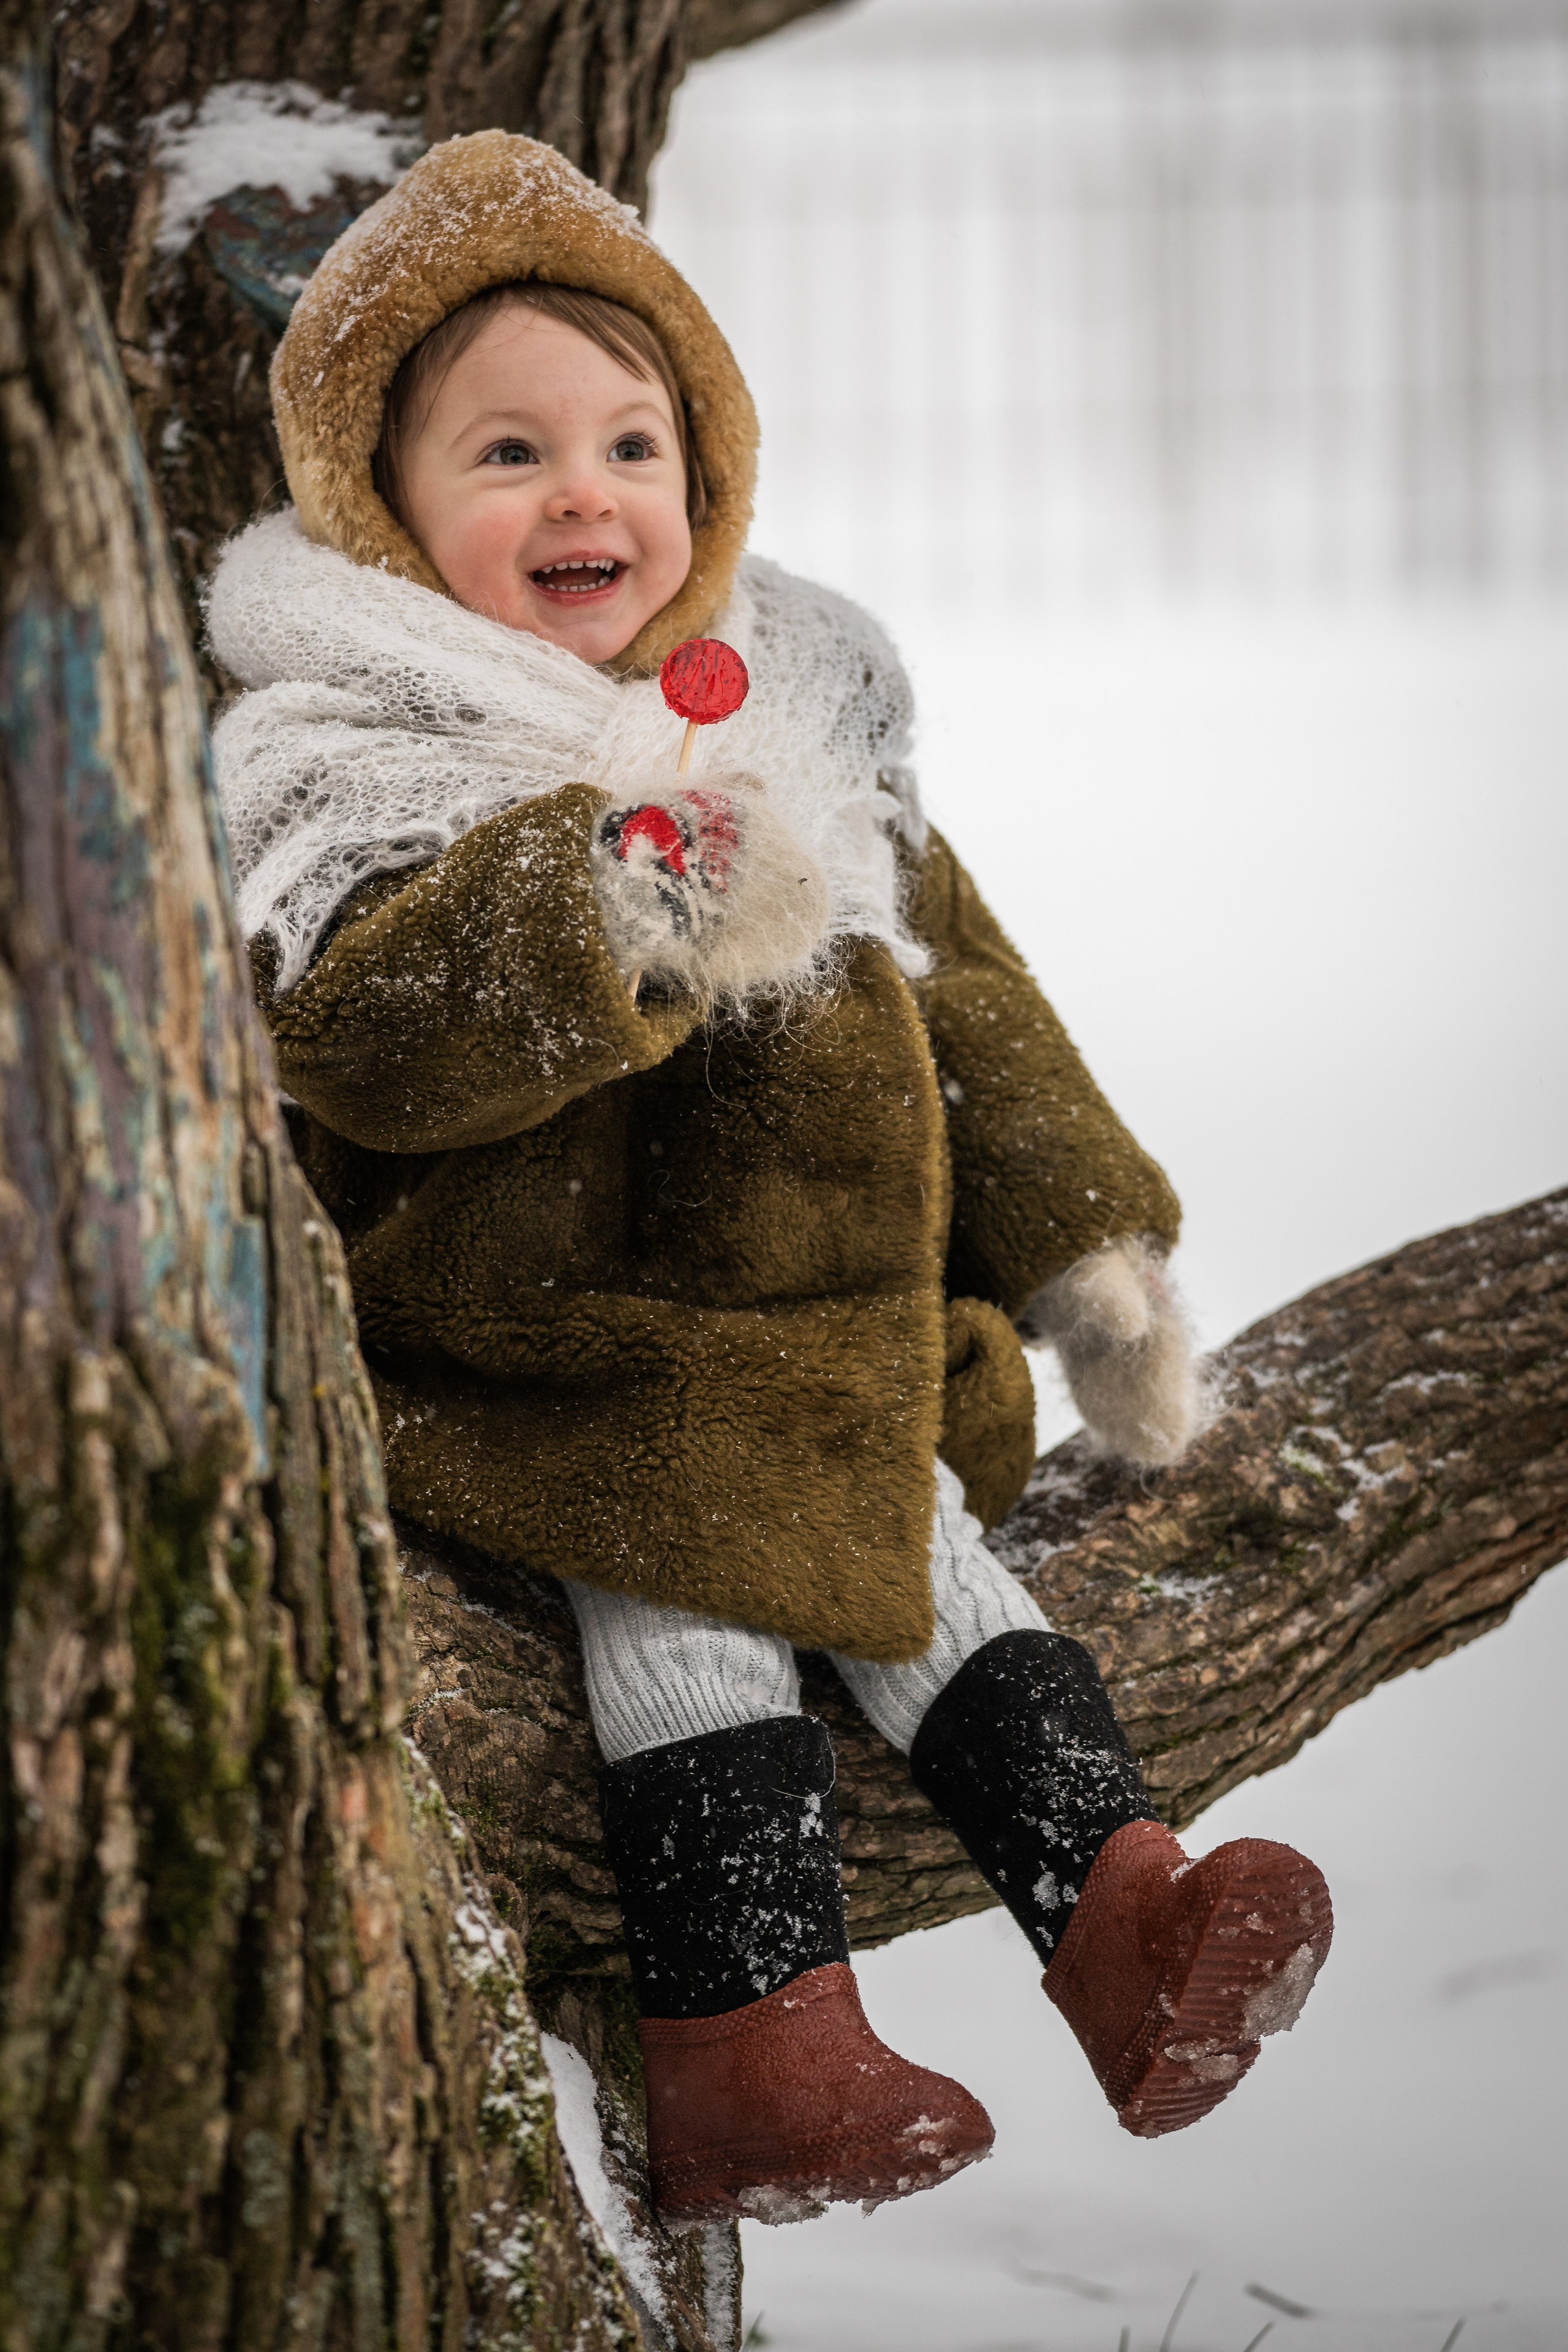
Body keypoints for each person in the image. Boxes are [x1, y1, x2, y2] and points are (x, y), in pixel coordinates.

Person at [209, 130, 1332, 2230]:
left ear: (708, 477)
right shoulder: (350, 741)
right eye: (511, 451)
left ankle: (1130, 1916)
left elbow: (958, 983)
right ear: (383, 504)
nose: (585, 494)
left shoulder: (789, 693)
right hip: (549, 1341)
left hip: (830, 1336)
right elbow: (366, 1026)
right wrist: (608, 901)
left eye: (636, 441)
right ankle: (749, 2041)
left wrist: (1088, 1247)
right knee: (698, 1579)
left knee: (922, 1567)